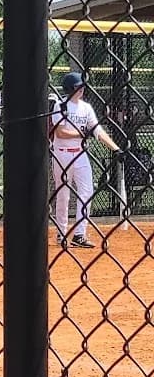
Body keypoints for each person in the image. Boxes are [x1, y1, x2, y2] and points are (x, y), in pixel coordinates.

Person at [51, 72, 121, 248]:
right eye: (78, 86)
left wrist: (116, 148)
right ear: (70, 89)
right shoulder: (60, 106)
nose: (81, 89)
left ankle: (80, 234)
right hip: (62, 154)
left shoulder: (86, 108)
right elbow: (60, 133)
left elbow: (98, 131)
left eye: (82, 86)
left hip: (80, 154)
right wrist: (82, 133)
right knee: (63, 195)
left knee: (87, 192)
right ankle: (61, 233)